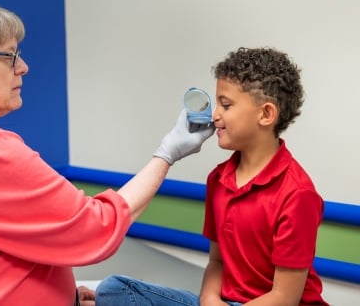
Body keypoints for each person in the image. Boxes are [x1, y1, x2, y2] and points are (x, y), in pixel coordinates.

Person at [0, 0, 214, 306]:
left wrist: (60, 288)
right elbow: (97, 227)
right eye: (9, 56)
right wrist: (166, 154)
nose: (23, 67)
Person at [95, 47, 330, 306]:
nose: (215, 115)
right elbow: (217, 262)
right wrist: (208, 300)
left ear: (265, 114)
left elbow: (284, 297)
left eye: (225, 105)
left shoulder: (297, 194)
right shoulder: (218, 180)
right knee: (113, 290)